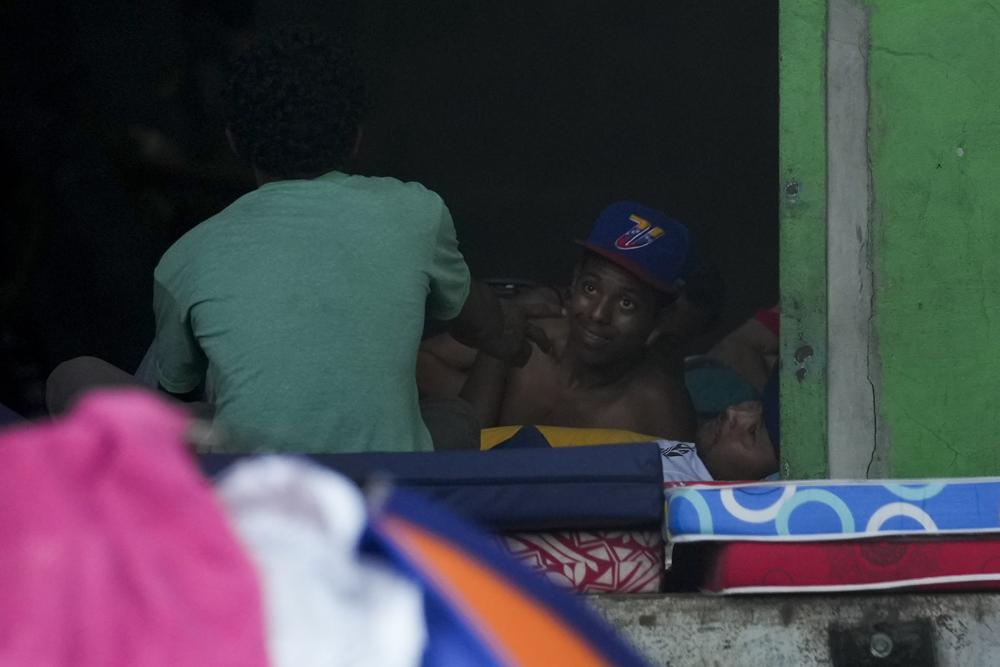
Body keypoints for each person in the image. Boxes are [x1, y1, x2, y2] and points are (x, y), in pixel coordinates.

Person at [148, 27, 549, 453]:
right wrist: (509, 332)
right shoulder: (414, 213)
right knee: (455, 417)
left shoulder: (187, 256)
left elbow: (176, 385)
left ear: (233, 141)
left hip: (258, 487)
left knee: (76, 374)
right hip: (386, 481)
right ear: (356, 137)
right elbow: (483, 323)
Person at [419, 201, 698, 441]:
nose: (598, 313)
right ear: (573, 283)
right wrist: (496, 349)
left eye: (627, 303)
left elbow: (682, 494)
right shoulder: (527, 340)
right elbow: (460, 455)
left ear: (658, 322)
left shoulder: (661, 412)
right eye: (590, 288)